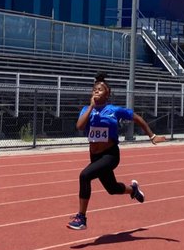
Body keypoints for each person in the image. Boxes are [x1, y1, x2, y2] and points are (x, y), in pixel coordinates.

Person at [67, 76, 166, 230]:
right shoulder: (87, 110)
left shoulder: (114, 110)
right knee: (112, 189)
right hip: (95, 156)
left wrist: (152, 136)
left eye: (100, 90)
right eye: (94, 89)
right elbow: (80, 126)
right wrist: (92, 107)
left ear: (107, 94)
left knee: (84, 176)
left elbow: (137, 118)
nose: (96, 91)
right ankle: (132, 190)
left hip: (110, 155)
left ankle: (82, 218)